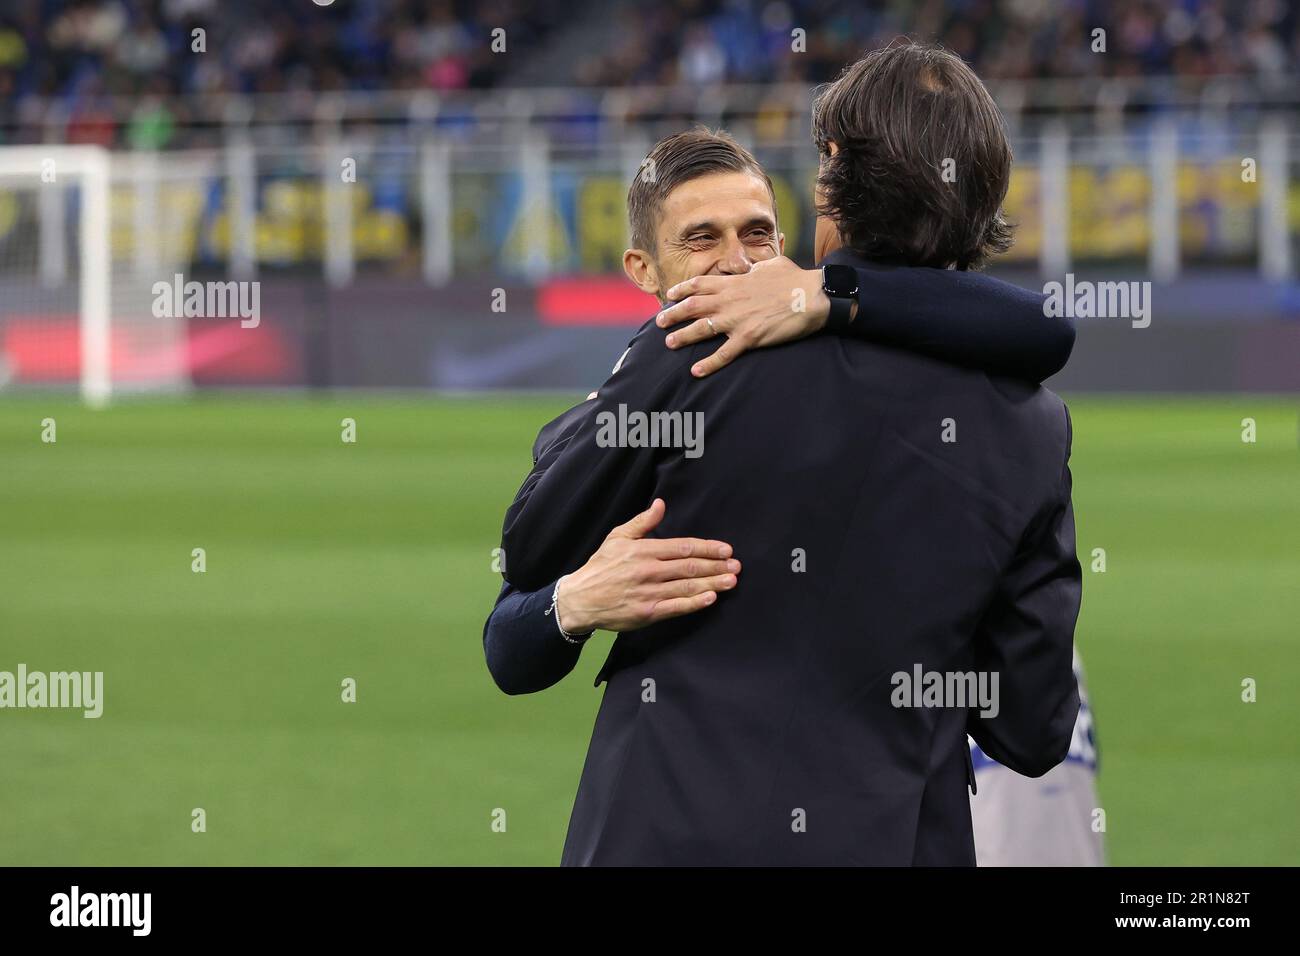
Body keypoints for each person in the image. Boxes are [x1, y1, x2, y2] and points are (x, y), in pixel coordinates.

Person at [488, 42, 1081, 864]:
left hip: (666, 829)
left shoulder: (705, 337)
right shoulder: (1034, 427)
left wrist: (577, 593)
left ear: (833, 175)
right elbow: (1031, 723)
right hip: (899, 837)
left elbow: (529, 548)